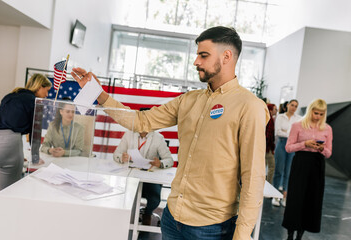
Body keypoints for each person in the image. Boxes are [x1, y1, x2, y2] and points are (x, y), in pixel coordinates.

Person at [71, 26, 269, 240]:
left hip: (211, 228)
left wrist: (242, 234)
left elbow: (253, 177)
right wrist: (99, 94)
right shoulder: (189, 100)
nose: (196, 62)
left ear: (227, 56)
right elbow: (141, 121)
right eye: (197, 56)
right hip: (172, 218)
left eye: (204, 55)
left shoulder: (250, 106)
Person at [0, 74, 51, 213]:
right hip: (9, 145)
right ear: (39, 87)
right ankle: (1, 230)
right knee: (6, 194)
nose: (47, 95)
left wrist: (16, 154)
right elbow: (35, 134)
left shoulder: (11, 95)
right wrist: (35, 157)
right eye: (46, 90)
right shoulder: (35, 102)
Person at [283, 99, 332, 240]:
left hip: (317, 165)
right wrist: (304, 144)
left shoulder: (327, 129)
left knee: (311, 198)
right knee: (295, 198)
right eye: (315, 113)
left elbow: (329, 153)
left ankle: (300, 234)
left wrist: (321, 148)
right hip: (300, 163)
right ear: (310, 110)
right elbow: (288, 148)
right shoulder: (297, 126)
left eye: (321, 114)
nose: (317, 116)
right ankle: (290, 233)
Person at [113, 110, 174, 225]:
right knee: (125, 194)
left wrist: (160, 163)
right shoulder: (129, 134)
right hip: (131, 174)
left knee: (154, 198)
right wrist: (122, 157)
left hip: (149, 176)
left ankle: (148, 213)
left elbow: (169, 160)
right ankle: (127, 217)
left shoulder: (158, 138)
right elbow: (116, 155)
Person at [272, 99, 301, 207]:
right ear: (287, 105)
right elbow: (278, 132)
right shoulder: (280, 117)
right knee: (278, 170)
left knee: (288, 172)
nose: (293, 107)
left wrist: (287, 133)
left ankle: (284, 196)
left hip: (292, 146)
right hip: (281, 145)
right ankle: (275, 196)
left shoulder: (298, 119)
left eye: (295, 106)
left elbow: (298, 135)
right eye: (292, 105)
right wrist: (290, 133)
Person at [266, 103, 277, 184]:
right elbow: (268, 136)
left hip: (267, 147)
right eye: (275, 109)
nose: (276, 111)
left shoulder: (271, 119)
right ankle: (267, 184)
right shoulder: (269, 120)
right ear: (270, 110)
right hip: (267, 148)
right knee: (271, 166)